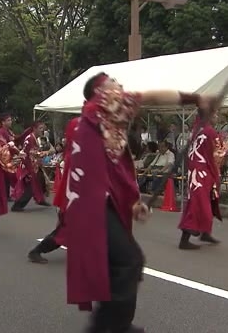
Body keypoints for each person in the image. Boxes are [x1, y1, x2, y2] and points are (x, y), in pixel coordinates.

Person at [64, 72, 214, 332]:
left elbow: (114, 172)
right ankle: (108, 327)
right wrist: (196, 98)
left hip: (92, 205)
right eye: (113, 82)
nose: (120, 86)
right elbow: (152, 96)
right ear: (101, 92)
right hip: (90, 208)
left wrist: (132, 203)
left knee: (121, 266)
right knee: (129, 260)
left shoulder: (100, 124)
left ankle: (117, 323)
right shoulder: (99, 108)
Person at [28, 116, 79, 263]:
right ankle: (36, 251)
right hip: (72, 200)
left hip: (77, 200)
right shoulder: (74, 154)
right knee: (63, 233)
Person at [178, 113, 228, 249]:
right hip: (203, 171)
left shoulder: (196, 130)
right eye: (214, 114)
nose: (216, 117)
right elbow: (219, 153)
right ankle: (184, 240)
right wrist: (227, 146)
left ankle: (205, 232)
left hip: (196, 169)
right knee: (198, 205)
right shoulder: (210, 131)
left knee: (207, 200)